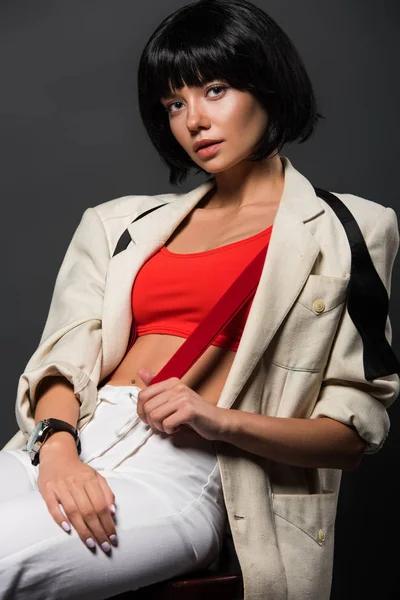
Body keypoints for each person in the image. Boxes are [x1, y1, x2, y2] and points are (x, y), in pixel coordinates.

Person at [1, 0, 399, 598]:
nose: (194, 121)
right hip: (72, 442)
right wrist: (57, 449)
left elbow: (353, 431)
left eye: (214, 89)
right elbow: (64, 355)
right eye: (174, 104)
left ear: (266, 84)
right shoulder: (118, 225)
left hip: (193, 470)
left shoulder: (350, 229)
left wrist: (219, 420)